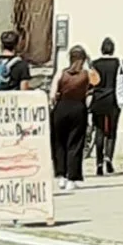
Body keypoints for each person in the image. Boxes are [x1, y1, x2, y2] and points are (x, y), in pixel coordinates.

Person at [48, 46, 92, 182]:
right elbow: (96, 83)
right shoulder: (86, 74)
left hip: (61, 107)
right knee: (75, 142)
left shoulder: (61, 73)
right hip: (78, 107)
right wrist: (90, 64)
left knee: (59, 142)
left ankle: (60, 173)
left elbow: (52, 94)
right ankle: (73, 176)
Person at [90, 36, 123, 177]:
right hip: (113, 99)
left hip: (98, 99)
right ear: (113, 49)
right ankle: (109, 157)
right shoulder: (118, 63)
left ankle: (99, 163)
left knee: (99, 131)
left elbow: (91, 83)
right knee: (112, 131)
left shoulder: (94, 64)